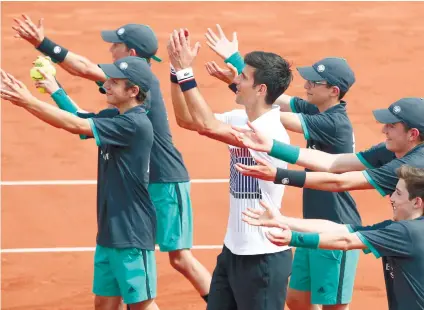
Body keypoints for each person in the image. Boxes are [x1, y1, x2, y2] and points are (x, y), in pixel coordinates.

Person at [12, 15, 212, 303]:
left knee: (179, 259)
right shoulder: (126, 89)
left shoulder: (136, 80)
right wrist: (55, 90)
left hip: (164, 179)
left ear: (131, 53)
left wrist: (43, 44)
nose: (110, 51)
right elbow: (84, 121)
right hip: (138, 182)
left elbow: (82, 73)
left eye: (115, 45)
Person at [205, 24, 361, 310]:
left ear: (333, 91)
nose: (307, 85)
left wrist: (244, 86)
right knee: (297, 300)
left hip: (336, 225)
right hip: (307, 225)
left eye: (314, 82)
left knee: (333, 306)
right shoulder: (317, 108)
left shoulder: (333, 123)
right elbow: (277, 100)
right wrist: (238, 70)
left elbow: (272, 116)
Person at [1, 57, 159, 310]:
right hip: (109, 231)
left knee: (142, 305)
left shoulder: (134, 124)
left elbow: (75, 125)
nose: (106, 85)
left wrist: (27, 100)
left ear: (133, 91)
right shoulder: (116, 117)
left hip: (131, 233)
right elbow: (81, 119)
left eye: (114, 82)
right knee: (104, 305)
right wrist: (55, 89)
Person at [167, 28, 293, 310]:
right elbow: (188, 120)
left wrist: (188, 71)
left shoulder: (269, 133)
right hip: (233, 252)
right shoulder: (241, 118)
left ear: (261, 89)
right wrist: (176, 72)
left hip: (263, 258)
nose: (235, 79)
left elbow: (208, 126)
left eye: (243, 77)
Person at [242, 165, 424, 310]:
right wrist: (283, 220)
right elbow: (341, 230)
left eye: (398, 193)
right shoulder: (402, 228)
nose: (391, 197)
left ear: (417, 202)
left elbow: (345, 241)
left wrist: (294, 239)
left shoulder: (405, 233)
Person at [232, 97, 424, 197]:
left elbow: (340, 182)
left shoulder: (413, 165)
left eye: (392, 125)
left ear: (413, 134)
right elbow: (333, 162)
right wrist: (272, 146)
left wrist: (278, 175)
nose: (384, 129)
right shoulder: (391, 149)